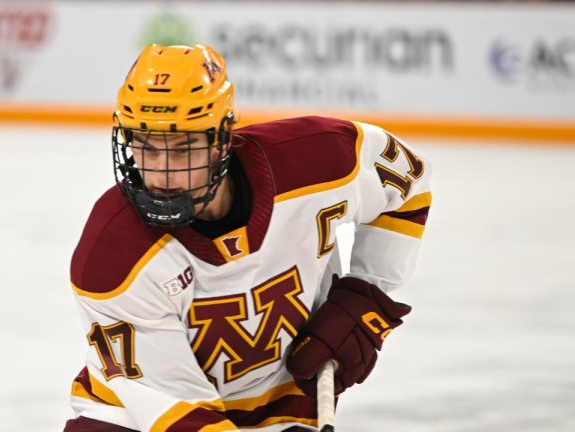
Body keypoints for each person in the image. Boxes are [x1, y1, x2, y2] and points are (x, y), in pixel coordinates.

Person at [64, 43, 431, 431]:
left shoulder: (320, 161)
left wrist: (365, 293)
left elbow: (409, 186)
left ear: (223, 139)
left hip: (281, 407)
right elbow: (177, 412)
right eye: (146, 147)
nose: (161, 174)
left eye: (184, 148)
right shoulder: (113, 257)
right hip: (138, 419)